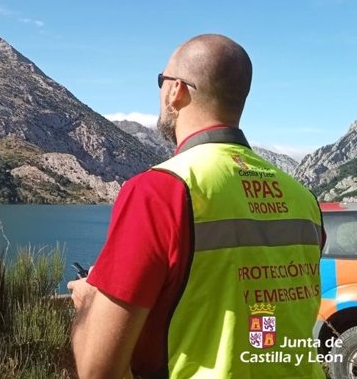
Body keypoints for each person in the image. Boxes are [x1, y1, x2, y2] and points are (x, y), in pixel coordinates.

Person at [67, 34, 324, 379]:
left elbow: (97, 370)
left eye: (162, 81)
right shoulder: (302, 196)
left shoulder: (160, 190)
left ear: (176, 90)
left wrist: (89, 303)